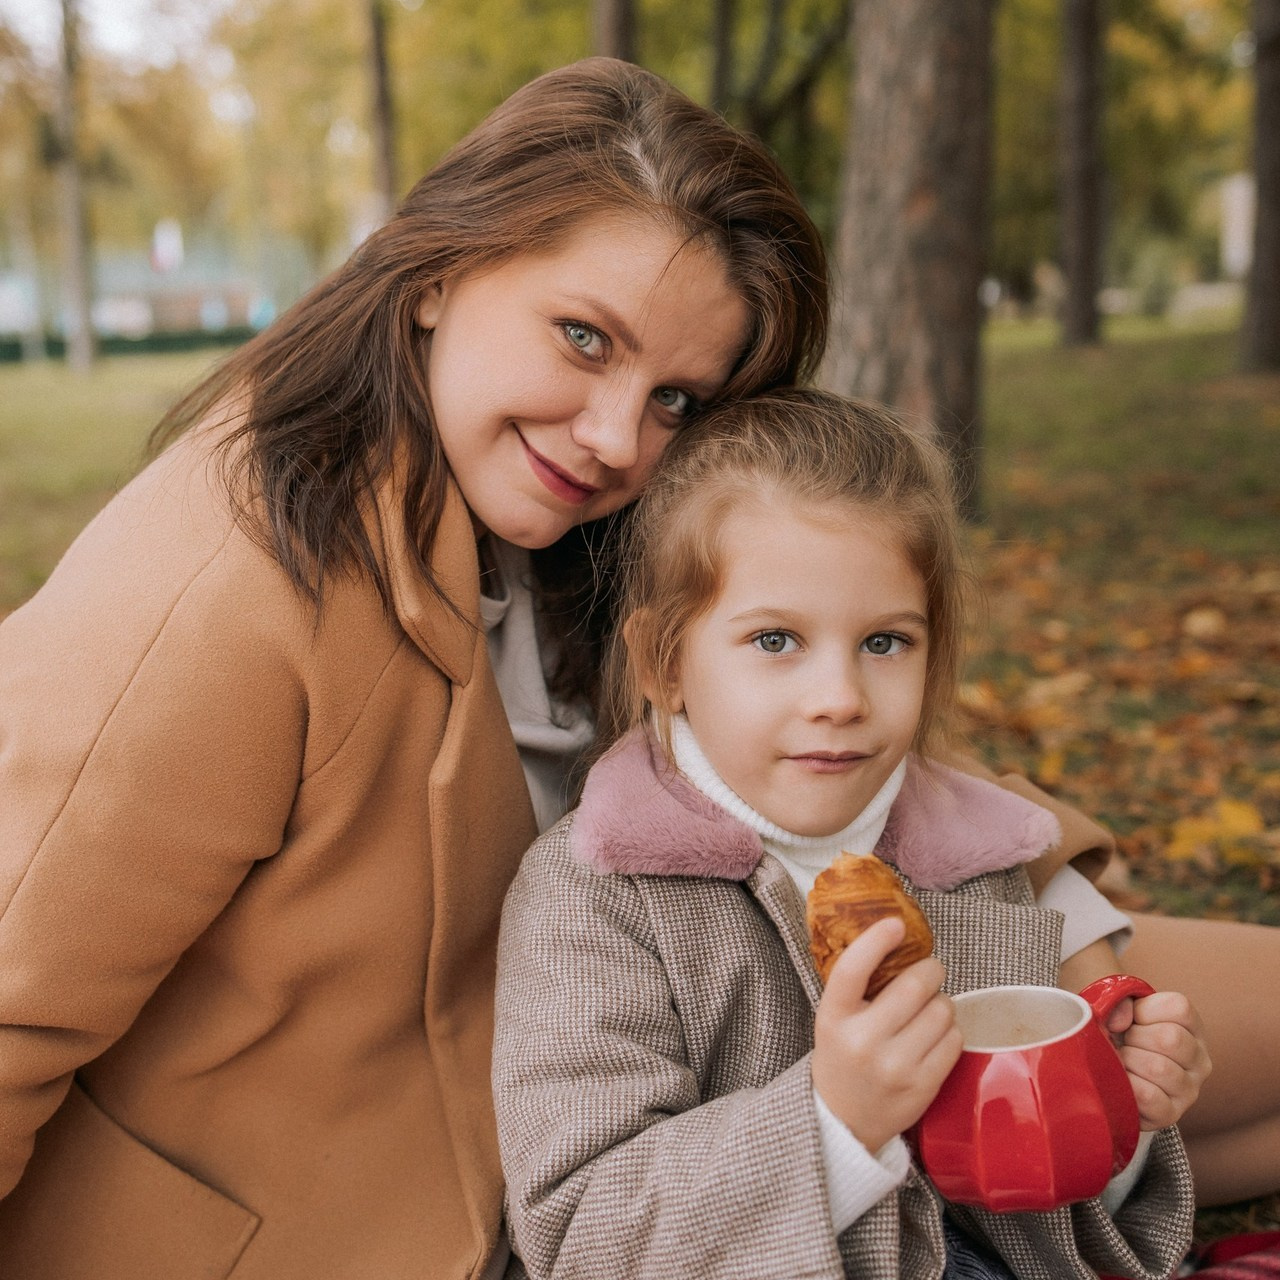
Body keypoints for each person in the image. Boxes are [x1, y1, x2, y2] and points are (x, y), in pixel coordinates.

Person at [0, 59, 829, 1280]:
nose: (617, 438)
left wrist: (1062, 903)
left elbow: (835, 699)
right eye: (583, 338)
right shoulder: (228, 588)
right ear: (438, 270)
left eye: (674, 400)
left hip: (607, 1160)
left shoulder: (571, 539)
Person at [493, 388, 1210, 1280]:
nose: (839, 698)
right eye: (775, 641)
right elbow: (581, 1232)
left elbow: (1040, 1209)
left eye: (884, 643)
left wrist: (1119, 1109)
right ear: (664, 663)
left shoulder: (979, 863)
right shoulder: (594, 898)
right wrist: (832, 1120)